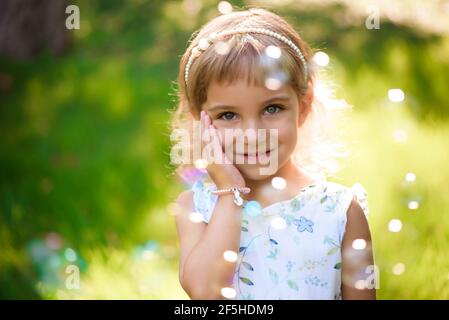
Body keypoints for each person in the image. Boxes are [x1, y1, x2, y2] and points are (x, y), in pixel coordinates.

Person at [171, 7, 376, 300]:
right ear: (201, 120)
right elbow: (205, 292)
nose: (252, 134)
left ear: (302, 107)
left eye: (272, 109)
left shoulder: (338, 210)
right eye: (228, 115)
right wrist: (230, 193)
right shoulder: (196, 208)